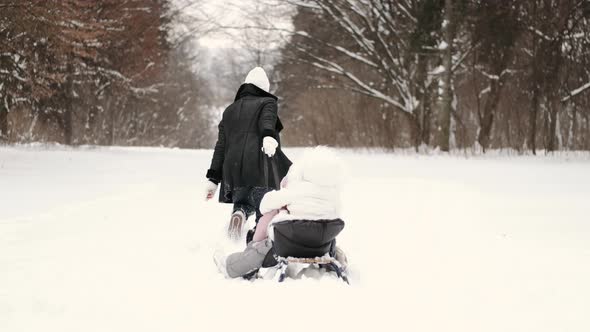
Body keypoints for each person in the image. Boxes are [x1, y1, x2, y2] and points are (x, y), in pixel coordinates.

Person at [214, 147, 347, 279]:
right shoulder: (334, 195)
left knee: (260, 250)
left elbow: (265, 205)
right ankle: (338, 259)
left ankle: (230, 267)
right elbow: (335, 215)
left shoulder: (295, 189)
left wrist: (281, 202)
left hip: (291, 243)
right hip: (321, 246)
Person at [205, 67, 291, 240]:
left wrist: (213, 179)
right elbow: (267, 120)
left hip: (233, 172)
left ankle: (239, 213)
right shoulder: (267, 103)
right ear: (263, 89)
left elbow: (221, 146)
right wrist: (268, 135)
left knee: (244, 202)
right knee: (265, 210)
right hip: (260, 168)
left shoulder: (229, 110)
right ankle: (257, 246)